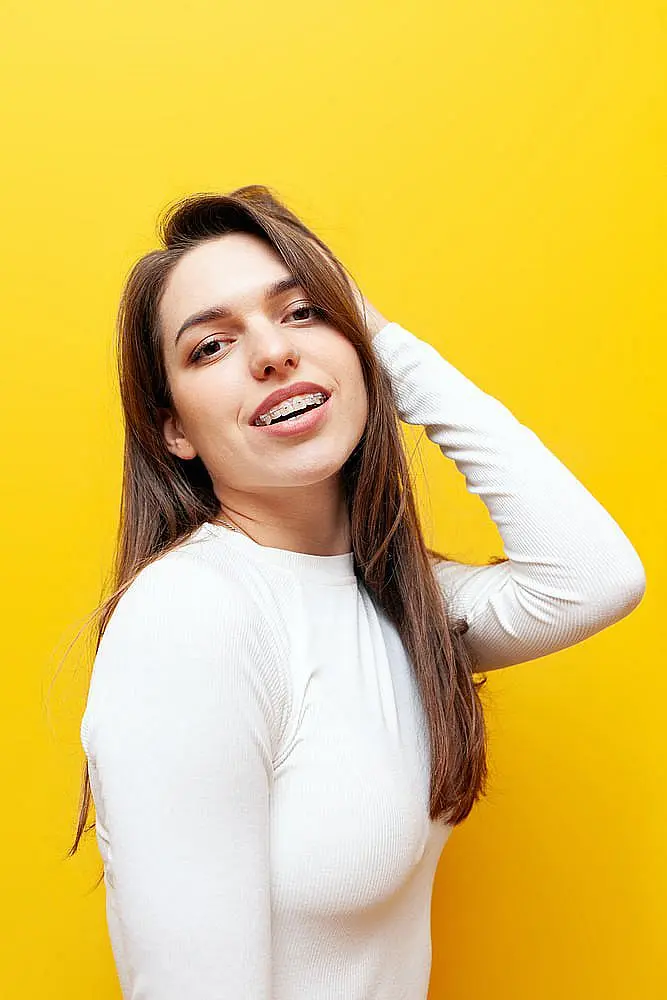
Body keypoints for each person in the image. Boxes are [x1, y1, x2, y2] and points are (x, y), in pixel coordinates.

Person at [69, 185, 646, 999]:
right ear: (174, 429)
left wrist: (387, 347)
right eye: (211, 346)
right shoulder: (193, 618)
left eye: (303, 312)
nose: (272, 353)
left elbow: (594, 579)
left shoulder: (396, 599)